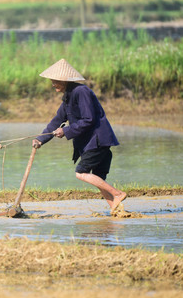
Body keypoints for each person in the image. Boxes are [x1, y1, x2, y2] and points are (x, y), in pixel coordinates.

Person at [32, 59, 127, 214]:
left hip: (97, 140)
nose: (52, 84)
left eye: (55, 81)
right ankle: (116, 209)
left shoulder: (81, 92)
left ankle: (118, 194)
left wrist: (66, 131)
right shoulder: (68, 98)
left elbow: (88, 119)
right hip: (93, 141)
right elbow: (56, 121)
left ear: (64, 80)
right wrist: (40, 139)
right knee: (98, 178)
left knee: (81, 173)